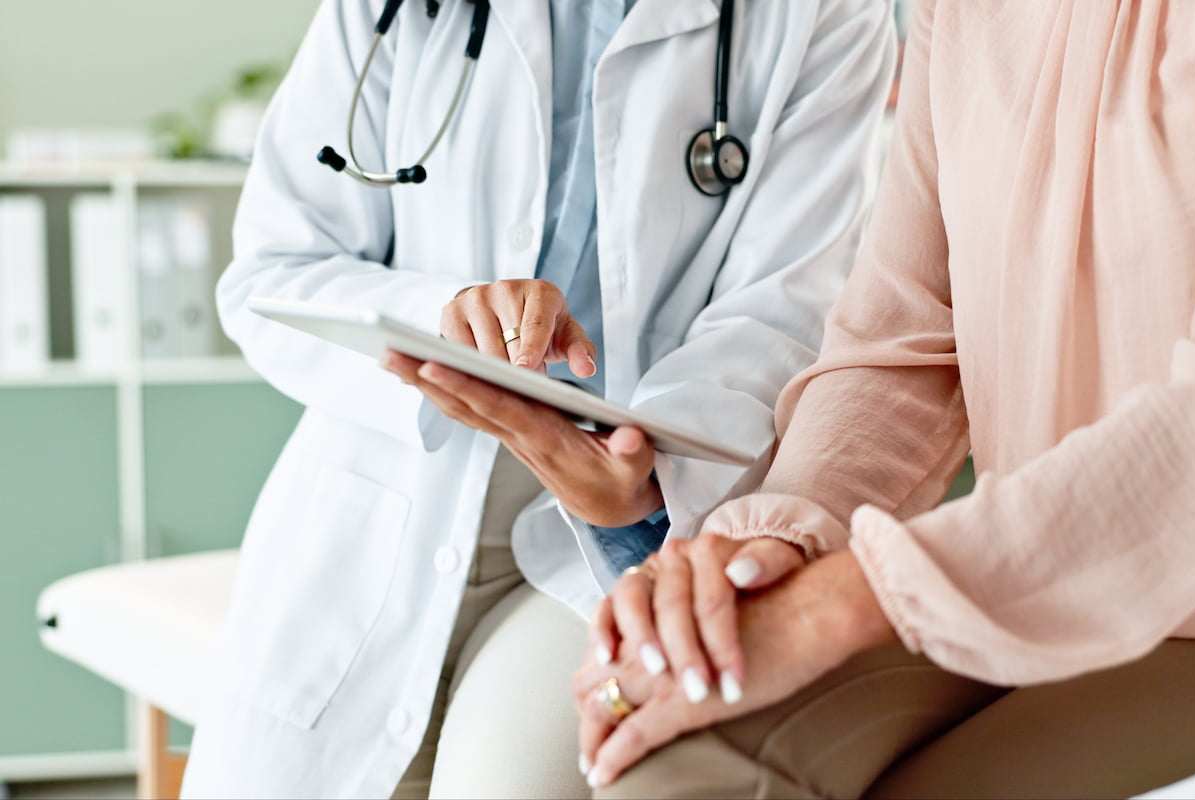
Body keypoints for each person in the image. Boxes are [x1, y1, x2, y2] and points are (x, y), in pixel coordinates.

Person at [180, 0, 897, 797]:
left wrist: (641, 481)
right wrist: (446, 318)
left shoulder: (823, 14)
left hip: (621, 530)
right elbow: (272, 272)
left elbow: (782, 310)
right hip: (389, 496)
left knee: (512, 779)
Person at [573, 0, 1195, 797]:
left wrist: (846, 602)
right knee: (673, 757)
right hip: (1002, 578)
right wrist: (759, 550)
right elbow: (902, 343)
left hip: (1178, 617)